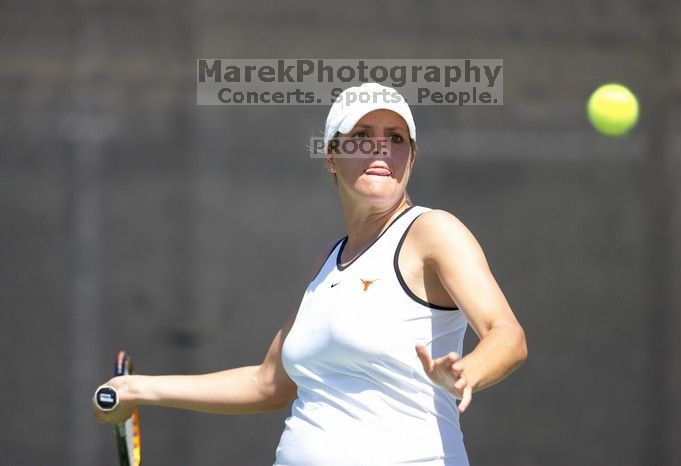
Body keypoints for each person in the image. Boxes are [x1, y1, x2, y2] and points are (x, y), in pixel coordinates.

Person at [93, 82, 527, 465]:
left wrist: (468, 371)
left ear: (410, 158)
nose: (380, 148)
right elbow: (268, 383)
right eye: (361, 136)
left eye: (395, 138)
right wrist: (136, 390)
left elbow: (506, 333)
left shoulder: (432, 231)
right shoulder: (329, 259)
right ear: (331, 157)